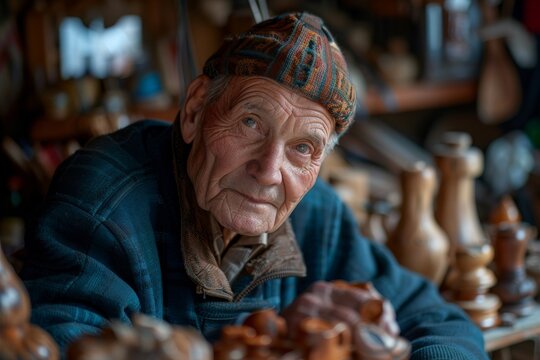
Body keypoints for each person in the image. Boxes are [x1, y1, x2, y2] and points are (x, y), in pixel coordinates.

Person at [21, 12, 488, 359]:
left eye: (303, 148)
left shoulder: (316, 214)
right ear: (195, 110)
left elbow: (445, 324)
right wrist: (281, 337)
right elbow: (63, 343)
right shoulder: (104, 203)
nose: (269, 171)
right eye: (250, 122)